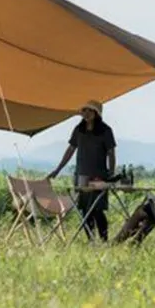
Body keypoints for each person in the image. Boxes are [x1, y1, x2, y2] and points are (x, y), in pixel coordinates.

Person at [48, 100, 116, 241]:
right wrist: (58, 169)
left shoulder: (105, 130)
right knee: (85, 209)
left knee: (97, 209)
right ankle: (91, 240)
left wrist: (111, 173)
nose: (85, 113)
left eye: (89, 110)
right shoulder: (79, 129)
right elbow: (70, 150)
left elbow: (111, 152)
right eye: (84, 110)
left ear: (96, 113)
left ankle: (104, 240)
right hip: (81, 175)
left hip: (99, 176)